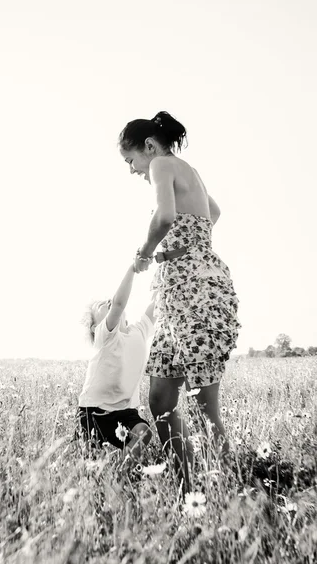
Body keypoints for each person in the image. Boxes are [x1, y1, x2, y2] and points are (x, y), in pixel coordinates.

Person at [118, 111, 241, 488]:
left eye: (131, 160)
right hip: (177, 296)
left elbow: (164, 215)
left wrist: (145, 251)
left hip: (197, 296)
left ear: (150, 147)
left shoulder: (162, 165)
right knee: (160, 399)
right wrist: (186, 246)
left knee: (206, 411)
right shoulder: (187, 170)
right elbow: (213, 211)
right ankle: (189, 484)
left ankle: (234, 493)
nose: (133, 170)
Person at [78, 264, 155, 462]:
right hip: (95, 410)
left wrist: (165, 281)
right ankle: (95, 482)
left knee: (143, 432)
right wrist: (133, 269)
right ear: (96, 327)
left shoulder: (138, 332)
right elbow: (119, 303)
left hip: (125, 409)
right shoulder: (105, 336)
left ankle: (124, 471)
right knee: (92, 461)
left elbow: (154, 308)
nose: (109, 302)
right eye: (103, 306)